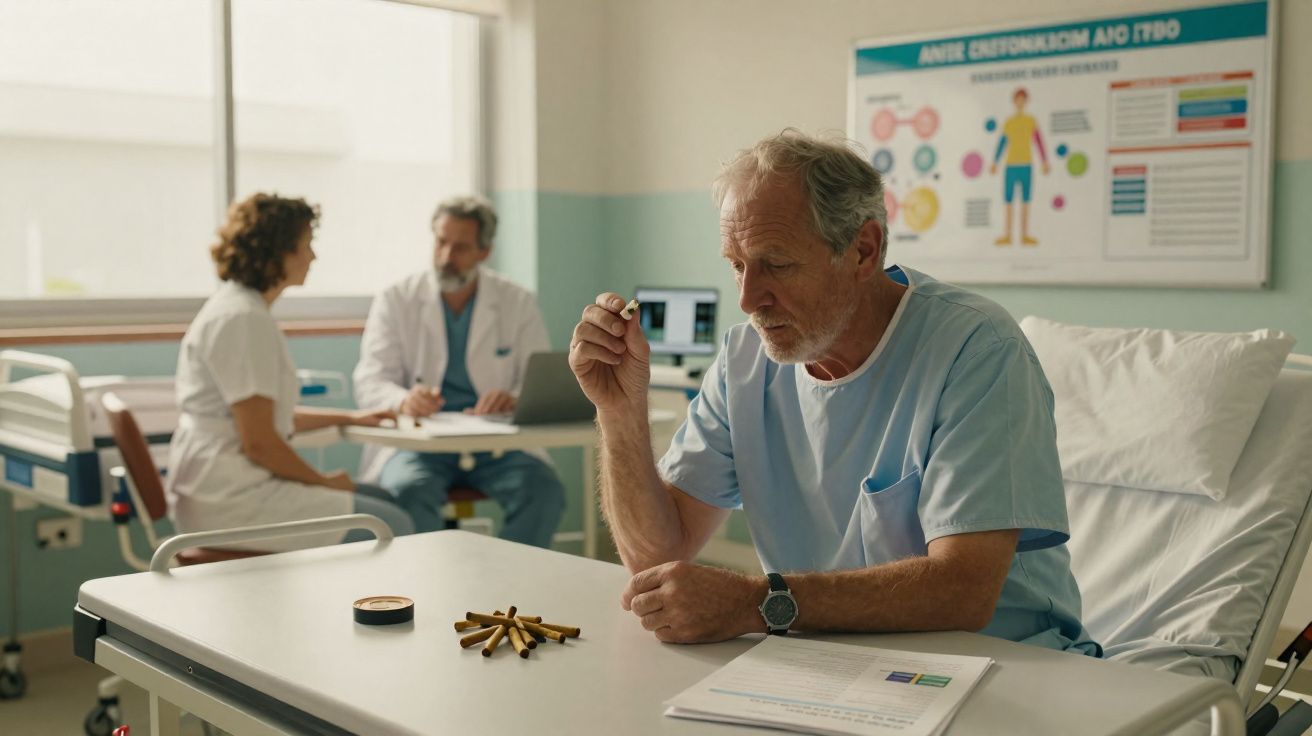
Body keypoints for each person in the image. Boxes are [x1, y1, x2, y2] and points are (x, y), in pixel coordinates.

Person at [569, 130, 1099, 655]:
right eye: (736, 265)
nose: (750, 298)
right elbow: (658, 559)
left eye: (775, 264)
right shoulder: (744, 362)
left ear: (863, 251)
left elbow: (964, 590)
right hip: (837, 664)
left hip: (1006, 662)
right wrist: (618, 410)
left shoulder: (976, 349)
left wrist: (757, 602)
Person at [166, 193, 415, 551]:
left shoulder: (241, 308)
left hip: (224, 486)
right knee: (393, 524)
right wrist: (322, 482)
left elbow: (268, 419)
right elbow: (260, 443)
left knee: (383, 498)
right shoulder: (243, 319)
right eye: (306, 245)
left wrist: (352, 417)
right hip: (230, 501)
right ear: (278, 251)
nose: (312, 256)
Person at [354, 196, 565, 546]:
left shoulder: (516, 301)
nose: (446, 257)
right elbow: (371, 379)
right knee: (408, 492)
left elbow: (536, 380)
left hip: (496, 444)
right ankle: (434, 590)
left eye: (461, 247)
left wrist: (511, 398)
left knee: (543, 492)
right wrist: (405, 400)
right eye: (441, 242)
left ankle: (509, 590)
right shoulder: (396, 298)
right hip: (418, 443)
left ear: (484, 252)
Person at [990, 87, 1050, 246]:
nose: (1020, 102)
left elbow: (1039, 141)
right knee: (1009, 201)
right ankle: (1008, 235)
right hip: (1011, 166)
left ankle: (1024, 235)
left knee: (1025, 201)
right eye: (1018, 99)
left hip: (1026, 165)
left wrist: (1044, 161)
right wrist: (995, 162)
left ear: (1026, 101)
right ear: (1015, 101)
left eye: (1023, 99)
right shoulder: (1009, 122)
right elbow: (1002, 142)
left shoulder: (1031, 121)